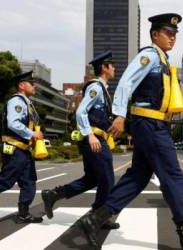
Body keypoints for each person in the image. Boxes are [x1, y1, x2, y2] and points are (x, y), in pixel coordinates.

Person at [79, 13, 183, 250]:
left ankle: (95, 218)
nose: (172, 38)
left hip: (152, 125)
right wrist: (120, 114)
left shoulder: (162, 60)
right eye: (168, 33)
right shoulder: (150, 55)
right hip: (151, 125)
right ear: (155, 34)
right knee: (173, 175)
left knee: (138, 177)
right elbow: (125, 83)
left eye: (174, 34)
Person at [41, 51, 119, 230]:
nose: (114, 68)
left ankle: (53, 195)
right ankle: (98, 217)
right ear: (104, 68)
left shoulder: (102, 88)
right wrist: (90, 135)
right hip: (94, 140)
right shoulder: (96, 87)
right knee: (107, 179)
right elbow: (80, 111)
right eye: (111, 65)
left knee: (92, 179)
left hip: (96, 138)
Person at [0, 71, 43, 223]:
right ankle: (23, 213)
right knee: (5, 181)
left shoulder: (27, 103)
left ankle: (23, 213)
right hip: (14, 148)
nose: (34, 85)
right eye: (31, 83)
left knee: (29, 181)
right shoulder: (17, 101)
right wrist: (32, 134)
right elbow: (13, 123)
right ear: (21, 85)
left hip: (24, 150)